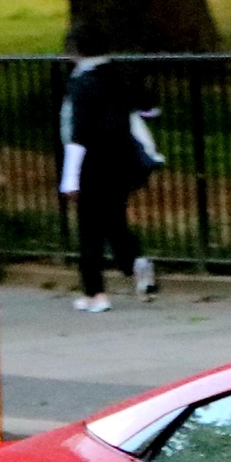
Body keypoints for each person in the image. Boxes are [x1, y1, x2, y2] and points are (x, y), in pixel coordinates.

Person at [59, 27, 161, 313]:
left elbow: (77, 134)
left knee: (89, 228)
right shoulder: (121, 74)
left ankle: (95, 293)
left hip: (92, 163)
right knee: (115, 219)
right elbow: (150, 108)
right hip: (123, 159)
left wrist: (69, 178)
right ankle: (134, 261)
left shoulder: (81, 84)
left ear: (75, 51)